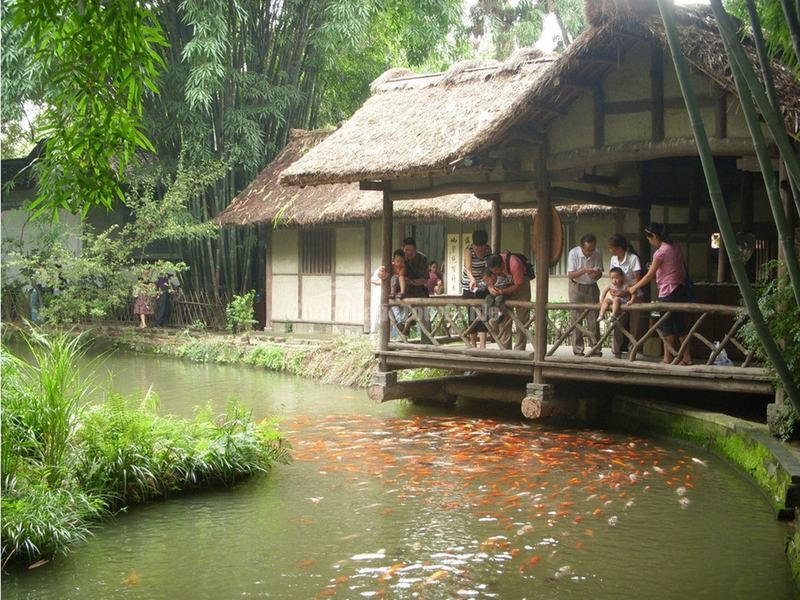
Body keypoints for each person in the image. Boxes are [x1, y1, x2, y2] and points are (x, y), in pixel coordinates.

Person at [628, 222, 692, 365]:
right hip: (679, 289)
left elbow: (649, 276)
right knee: (680, 324)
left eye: (650, 239)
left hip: (668, 291)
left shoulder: (660, 252)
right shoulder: (676, 248)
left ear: (655, 236)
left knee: (667, 325)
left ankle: (668, 357)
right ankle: (686, 356)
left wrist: (634, 287)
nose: (650, 242)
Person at [485, 251, 532, 351]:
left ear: (502, 265)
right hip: (504, 287)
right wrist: (491, 288)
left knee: (522, 319)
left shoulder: (515, 263)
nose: (497, 274)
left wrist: (502, 291)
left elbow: (518, 285)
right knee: (503, 318)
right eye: (494, 272)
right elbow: (487, 279)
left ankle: (519, 349)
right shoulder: (492, 266)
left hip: (521, 287)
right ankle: (505, 348)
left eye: (498, 271)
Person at [567, 234, 604, 356]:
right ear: (581, 247)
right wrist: (585, 270)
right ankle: (578, 349)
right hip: (576, 286)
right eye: (588, 250)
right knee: (577, 318)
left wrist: (596, 274)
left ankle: (596, 348)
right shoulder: (573, 253)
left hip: (592, 286)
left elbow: (600, 273)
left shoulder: (597, 253)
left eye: (592, 250)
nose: (590, 253)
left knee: (594, 318)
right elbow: (571, 275)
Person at [608, 234, 643, 357]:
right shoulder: (613, 259)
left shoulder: (633, 259)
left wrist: (626, 291)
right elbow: (613, 276)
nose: (610, 250)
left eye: (611, 248)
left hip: (634, 295)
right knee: (617, 322)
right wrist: (613, 290)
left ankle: (632, 350)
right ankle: (616, 351)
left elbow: (638, 281)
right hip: (619, 295)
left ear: (619, 248)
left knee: (634, 325)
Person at [461, 229, 491, 348]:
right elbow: (468, 268)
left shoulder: (488, 250)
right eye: (477, 246)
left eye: (482, 246)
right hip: (469, 285)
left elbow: (487, 267)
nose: (479, 248)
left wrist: (486, 281)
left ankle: (482, 345)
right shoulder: (468, 251)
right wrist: (472, 279)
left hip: (482, 284)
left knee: (484, 314)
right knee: (472, 315)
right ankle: (473, 345)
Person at [402, 237, 432, 343]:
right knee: (403, 319)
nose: (408, 253)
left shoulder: (422, 258)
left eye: (410, 250)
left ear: (415, 249)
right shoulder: (401, 258)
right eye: (406, 250)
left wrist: (410, 281)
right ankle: (404, 342)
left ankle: (426, 343)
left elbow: (425, 279)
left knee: (424, 319)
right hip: (405, 293)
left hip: (420, 292)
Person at [369, 265, 389, 336]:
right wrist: (383, 282)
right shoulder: (379, 270)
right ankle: (374, 332)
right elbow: (372, 280)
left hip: (388, 294)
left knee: (386, 312)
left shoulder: (394, 269)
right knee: (376, 311)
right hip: (378, 292)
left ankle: (384, 333)